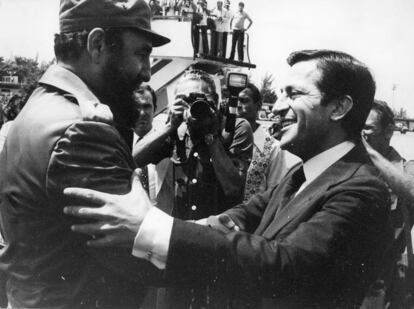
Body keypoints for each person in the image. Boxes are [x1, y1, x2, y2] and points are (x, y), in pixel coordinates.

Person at [64, 49, 392, 309]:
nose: (276, 107)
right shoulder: (303, 174)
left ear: (339, 108)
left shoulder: (361, 188)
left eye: (293, 94)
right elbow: (238, 217)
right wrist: (145, 225)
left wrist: (152, 227)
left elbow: (286, 264)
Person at [0, 0, 170, 308]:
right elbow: (139, 251)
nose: (146, 72)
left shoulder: (41, 105)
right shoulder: (81, 130)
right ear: (97, 44)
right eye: (141, 53)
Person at [131, 69, 253, 308]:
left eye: (202, 98)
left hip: (217, 243)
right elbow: (133, 160)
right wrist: (170, 126)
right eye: (187, 99)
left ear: (217, 103)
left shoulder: (235, 127)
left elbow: (233, 188)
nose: (196, 105)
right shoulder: (173, 128)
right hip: (175, 242)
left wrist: (211, 136)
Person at [361, 100, 414, 308]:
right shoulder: (349, 165)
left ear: (389, 131)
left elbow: (410, 190)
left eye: (368, 127)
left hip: (383, 281)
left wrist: (370, 153)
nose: (362, 133)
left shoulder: (405, 169)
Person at [236, 82, 300, 201]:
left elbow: (275, 196)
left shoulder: (272, 148)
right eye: (234, 100)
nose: (237, 105)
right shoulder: (220, 140)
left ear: (258, 106)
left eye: (244, 100)